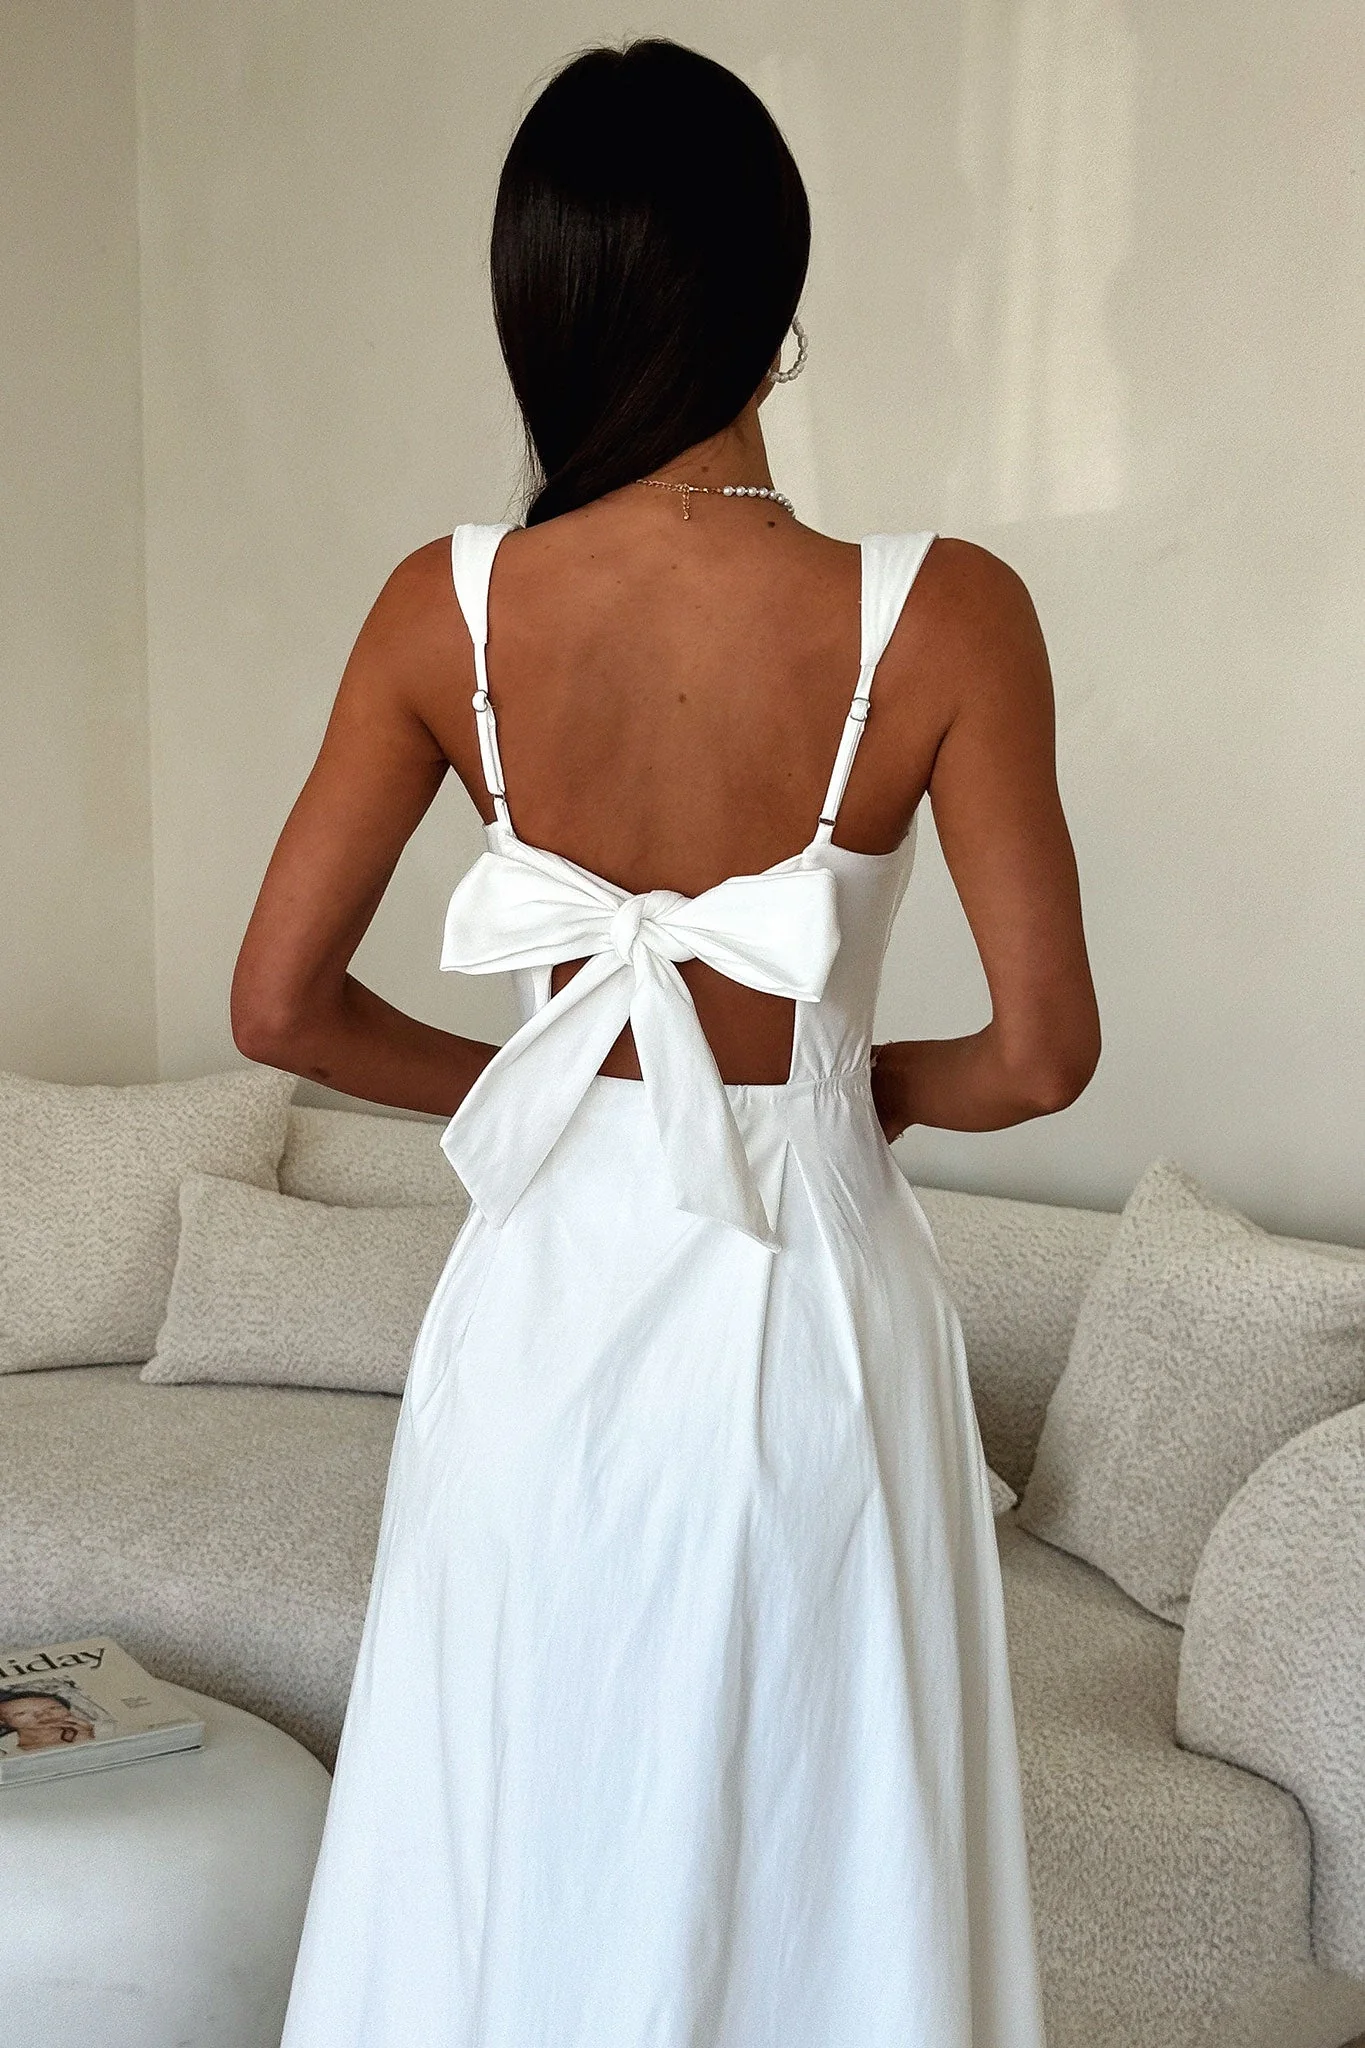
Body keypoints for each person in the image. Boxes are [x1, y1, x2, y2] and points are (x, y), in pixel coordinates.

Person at [236, 37, 1099, 2048]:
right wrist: (852, 1084)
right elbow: (1043, 1056)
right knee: (820, 1833)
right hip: (806, 1306)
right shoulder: (945, 612)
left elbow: (278, 1006)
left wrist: (535, 1087)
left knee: (524, 1804)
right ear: (774, 292)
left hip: (540, 1304)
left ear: (534, 303)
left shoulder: (443, 610)